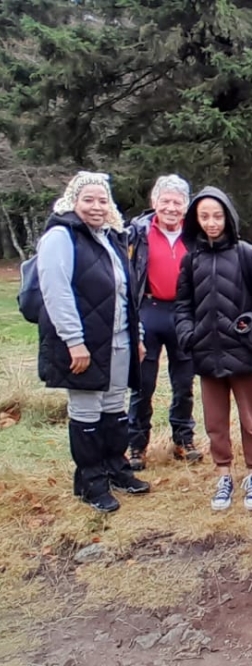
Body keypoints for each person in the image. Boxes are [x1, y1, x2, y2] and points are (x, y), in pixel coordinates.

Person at [36, 171, 149, 513]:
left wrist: (138, 336)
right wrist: (74, 341)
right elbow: (56, 293)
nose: (97, 207)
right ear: (73, 201)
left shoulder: (111, 238)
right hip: (84, 344)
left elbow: (128, 293)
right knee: (86, 411)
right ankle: (91, 482)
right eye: (89, 200)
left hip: (118, 340)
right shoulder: (61, 237)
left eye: (103, 200)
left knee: (115, 407)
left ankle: (117, 469)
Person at [174, 187, 252, 512]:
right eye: (204, 217)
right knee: (215, 422)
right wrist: (188, 335)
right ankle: (223, 475)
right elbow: (182, 305)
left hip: (243, 354)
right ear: (195, 220)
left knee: (250, 421)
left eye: (217, 216)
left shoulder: (248, 254)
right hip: (206, 354)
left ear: (228, 217)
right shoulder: (191, 260)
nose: (211, 222)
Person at [125, 174, 201, 470]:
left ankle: (184, 439)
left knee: (184, 383)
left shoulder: (194, 235)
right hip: (149, 309)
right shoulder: (137, 233)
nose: (171, 207)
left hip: (183, 313)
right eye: (165, 201)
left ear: (186, 206)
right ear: (154, 202)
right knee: (142, 383)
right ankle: (136, 445)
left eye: (177, 202)